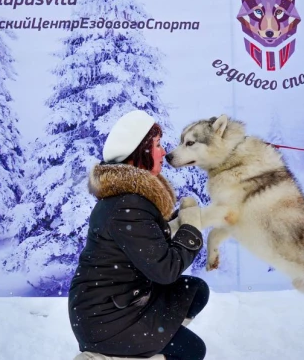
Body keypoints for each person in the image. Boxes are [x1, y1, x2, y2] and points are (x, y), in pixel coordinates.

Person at [70, 110, 209, 360]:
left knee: (194, 290)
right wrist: (190, 229)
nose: (163, 151)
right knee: (191, 351)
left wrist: (177, 224)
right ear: (139, 151)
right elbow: (165, 270)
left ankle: (145, 346)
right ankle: (108, 355)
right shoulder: (127, 206)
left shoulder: (130, 199)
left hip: (123, 302)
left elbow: (149, 243)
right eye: (156, 144)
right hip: (106, 319)